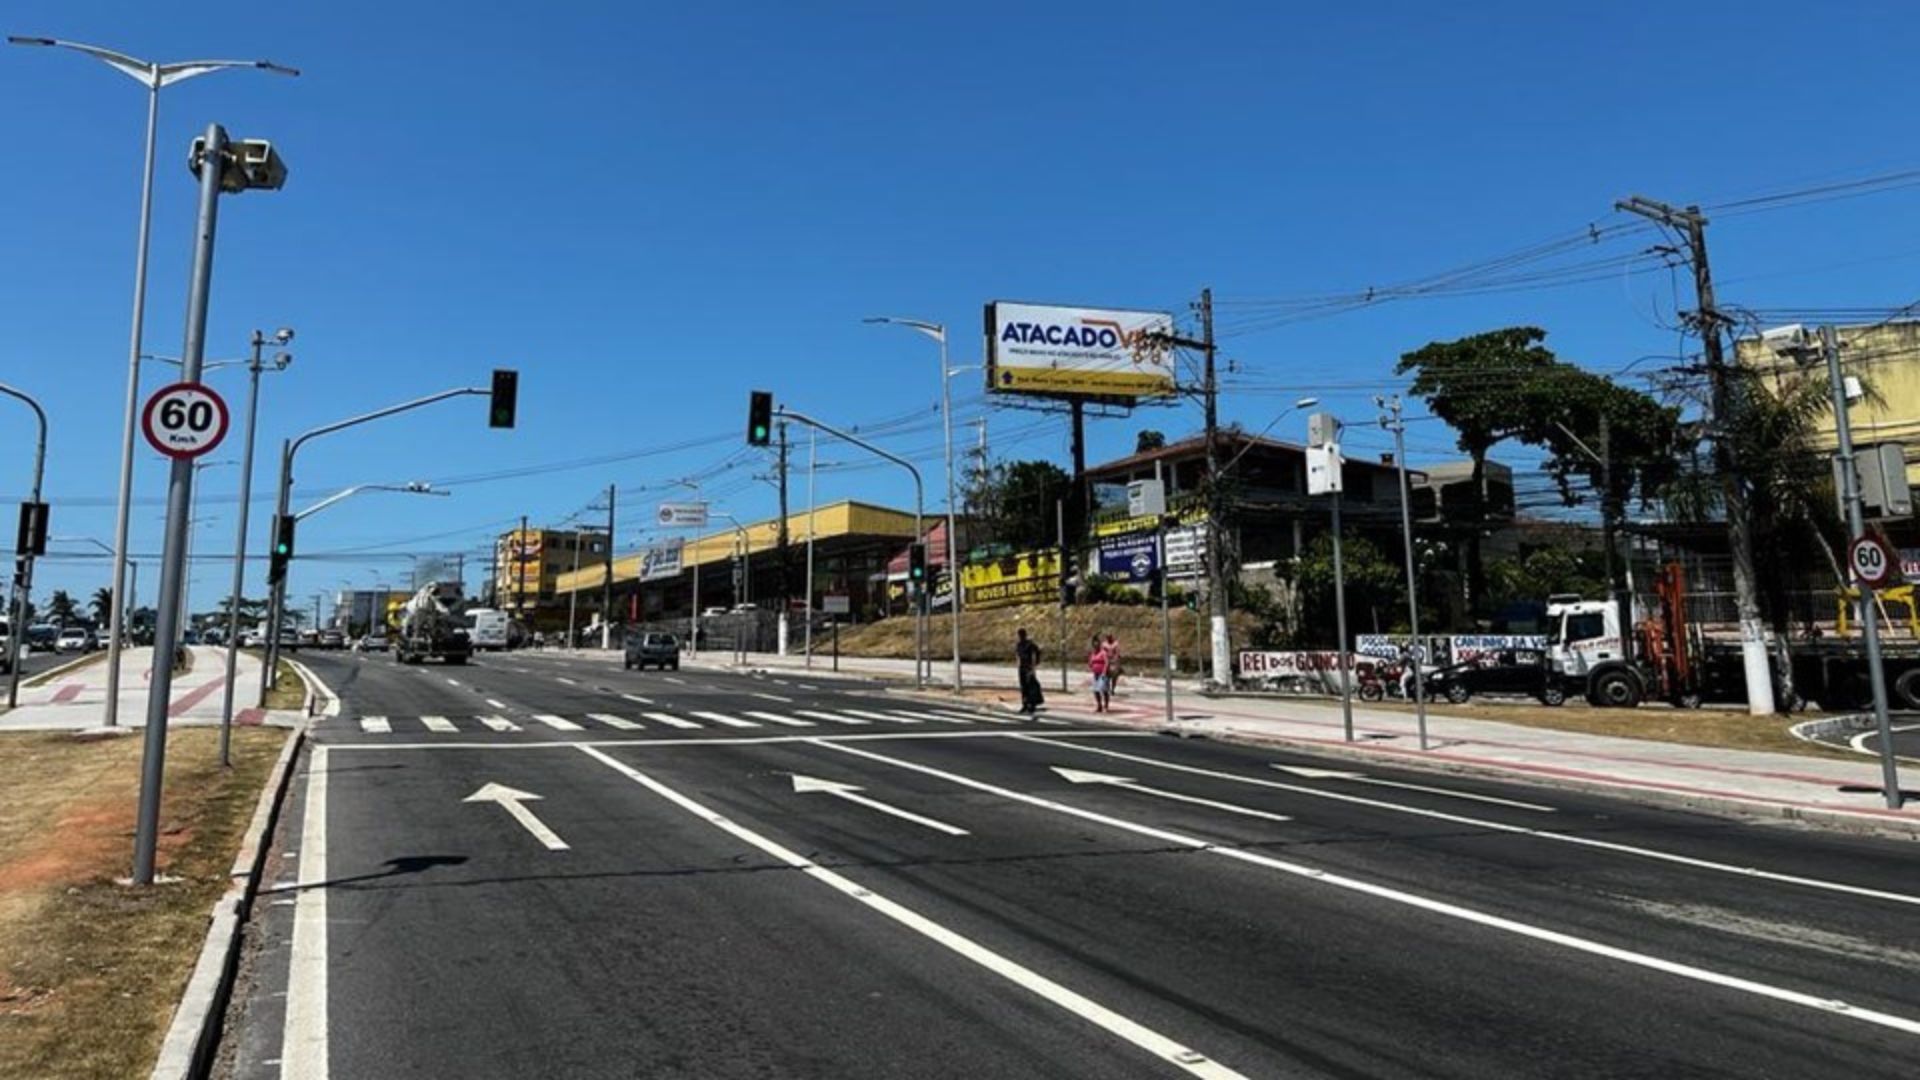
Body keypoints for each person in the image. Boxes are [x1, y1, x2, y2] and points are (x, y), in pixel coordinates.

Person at [1015, 628, 1044, 715]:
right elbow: (1018, 655)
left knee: (1030, 686)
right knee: (1023, 687)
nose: (1020, 637)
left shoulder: (1029, 644)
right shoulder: (1019, 644)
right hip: (1022, 667)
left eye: (1021, 635)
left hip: (1029, 667)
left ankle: (1032, 704)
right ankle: (1025, 704)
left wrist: (1035, 664)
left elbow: (1037, 651)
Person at [1087, 635, 1111, 712]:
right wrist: (1091, 665)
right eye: (1094, 643)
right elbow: (1090, 661)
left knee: (1104, 689)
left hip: (1103, 674)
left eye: (1096, 643)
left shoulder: (1103, 652)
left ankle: (1106, 706)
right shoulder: (1093, 653)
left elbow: (1107, 662)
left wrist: (1104, 672)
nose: (1095, 645)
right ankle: (1099, 705)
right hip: (1095, 674)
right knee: (1095, 690)